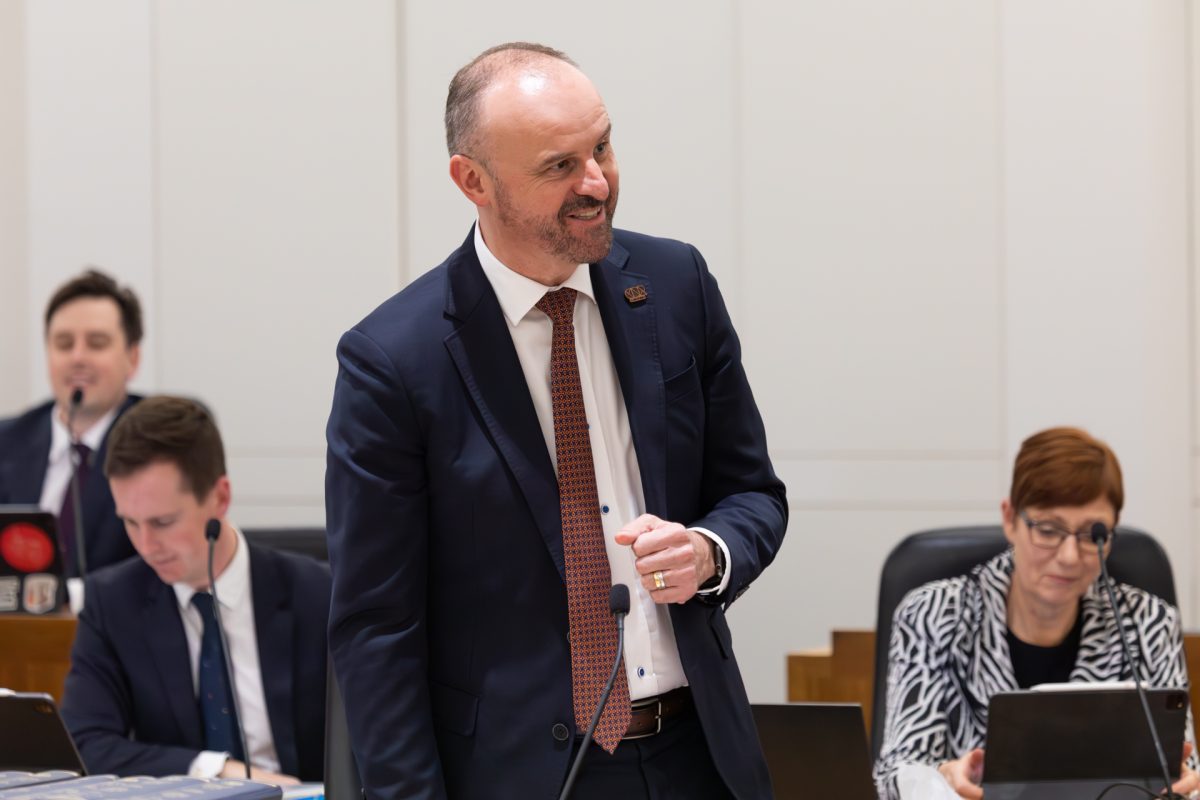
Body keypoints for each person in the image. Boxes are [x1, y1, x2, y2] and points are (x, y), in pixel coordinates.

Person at [325, 42, 788, 800]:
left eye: (601, 145)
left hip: (698, 757)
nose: (597, 182)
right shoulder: (393, 361)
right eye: (558, 166)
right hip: (516, 775)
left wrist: (709, 550)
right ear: (472, 181)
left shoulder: (676, 287)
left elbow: (754, 494)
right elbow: (377, 631)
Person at [874, 427, 1200, 799]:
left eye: (1091, 534)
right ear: (1010, 518)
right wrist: (942, 778)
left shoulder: (1149, 622)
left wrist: (1185, 785)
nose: (1069, 557)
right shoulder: (933, 614)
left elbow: (1185, 768)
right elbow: (893, 776)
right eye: (1048, 530)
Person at [60, 396, 330, 784]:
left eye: (163, 521)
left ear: (220, 497)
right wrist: (217, 770)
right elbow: (84, 743)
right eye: (130, 523)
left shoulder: (319, 594)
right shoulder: (112, 601)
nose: (146, 544)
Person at [0, 269, 143, 578]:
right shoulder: (7, 441)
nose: (77, 357)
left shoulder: (159, 441)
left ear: (132, 358)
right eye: (64, 344)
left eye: (97, 343)